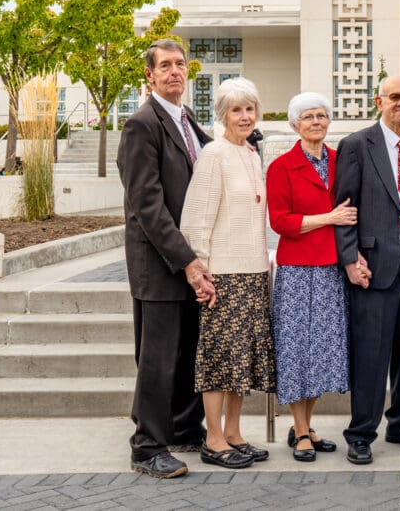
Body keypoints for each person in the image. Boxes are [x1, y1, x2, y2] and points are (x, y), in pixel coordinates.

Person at [117, 38, 216, 479]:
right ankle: (147, 447)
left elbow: (207, 157)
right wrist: (188, 260)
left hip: (187, 258)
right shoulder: (142, 124)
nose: (175, 71)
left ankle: (181, 427)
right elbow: (147, 205)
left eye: (181, 64)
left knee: (186, 350)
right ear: (150, 76)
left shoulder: (185, 118)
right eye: (166, 66)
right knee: (157, 358)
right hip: (159, 263)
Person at [334, 76, 400, 465]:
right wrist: (349, 258)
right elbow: (345, 208)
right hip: (373, 265)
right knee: (372, 353)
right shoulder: (358, 145)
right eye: (395, 96)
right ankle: (361, 433)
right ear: (379, 100)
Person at [179, 77, 275, 470]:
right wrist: (200, 270)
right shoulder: (213, 155)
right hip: (222, 275)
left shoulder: (253, 155)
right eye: (236, 110)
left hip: (253, 271)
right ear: (222, 115)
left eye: (249, 108)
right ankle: (214, 439)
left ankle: (234, 433)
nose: (245, 116)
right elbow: (196, 219)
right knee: (219, 359)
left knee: (244, 359)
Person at [266, 92, 354, 463]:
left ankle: (306, 424)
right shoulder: (281, 167)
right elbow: (280, 221)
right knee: (296, 351)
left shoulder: (340, 161)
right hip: (298, 271)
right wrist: (327, 219)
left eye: (321, 116)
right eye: (308, 117)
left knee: (322, 352)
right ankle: (300, 431)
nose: (316, 122)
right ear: (294, 125)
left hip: (332, 269)